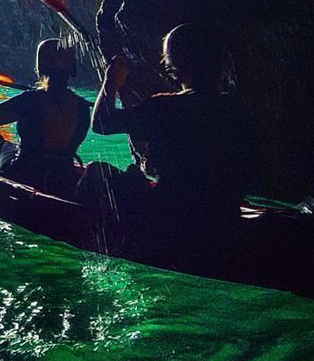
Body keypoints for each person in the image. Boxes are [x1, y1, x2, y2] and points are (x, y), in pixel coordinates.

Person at [88, 23, 256, 260]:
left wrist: (111, 81)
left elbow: (101, 123)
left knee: (97, 173)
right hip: (224, 218)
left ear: (173, 67)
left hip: (171, 222)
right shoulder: (237, 110)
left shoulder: (165, 107)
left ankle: (116, 246)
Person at [0, 38, 91, 196]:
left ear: (41, 67)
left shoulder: (30, 99)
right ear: (72, 67)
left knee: (4, 145)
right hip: (64, 177)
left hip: (25, 174)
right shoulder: (83, 106)